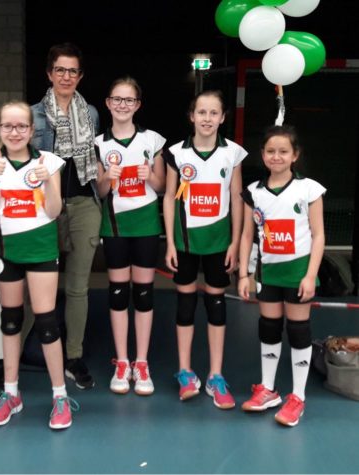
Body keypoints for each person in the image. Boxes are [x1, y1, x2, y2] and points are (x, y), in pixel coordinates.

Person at [0, 100, 78, 430]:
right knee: (11, 321)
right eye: (8, 126)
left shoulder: (49, 161)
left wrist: (48, 181)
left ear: (32, 130)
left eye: (21, 126)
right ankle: (11, 394)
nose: (15, 132)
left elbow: (54, 211)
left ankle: (60, 396)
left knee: (47, 323)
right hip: (7, 252)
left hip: (41, 252)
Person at [163, 90, 246, 409]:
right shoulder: (176, 153)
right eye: (202, 112)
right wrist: (170, 242)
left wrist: (235, 243)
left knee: (216, 304)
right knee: (185, 304)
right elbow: (168, 197)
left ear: (223, 117)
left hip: (218, 243)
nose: (207, 118)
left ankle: (215, 375)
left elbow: (236, 198)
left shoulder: (233, 153)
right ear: (191, 116)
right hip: (185, 242)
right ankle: (185, 372)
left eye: (213, 113)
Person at [238, 124, 325, 427]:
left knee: (298, 330)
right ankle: (268, 389)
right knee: (269, 328)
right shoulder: (254, 192)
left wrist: (310, 275)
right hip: (268, 273)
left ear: (295, 155)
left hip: (298, 272)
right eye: (271, 151)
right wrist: (244, 274)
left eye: (283, 151)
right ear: (262, 154)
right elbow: (247, 235)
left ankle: (297, 397)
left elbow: (318, 235)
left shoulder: (309, 189)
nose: (277, 156)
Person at [31, 43, 101, 389]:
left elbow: (93, 159)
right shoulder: (33, 115)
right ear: (49, 74)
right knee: (34, 285)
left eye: (73, 71)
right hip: (44, 208)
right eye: (60, 69)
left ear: (80, 76)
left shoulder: (91, 113)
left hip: (84, 203)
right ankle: (18, 357)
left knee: (77, 288)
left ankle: (73, 355)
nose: (66, 76)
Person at [95, 77, 165, 395]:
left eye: (129, 100)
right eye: (117, 99)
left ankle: (142, 362)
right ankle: (122, 361)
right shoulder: (99, 144)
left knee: (144, 294)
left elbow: (162, 186)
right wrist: (106, 179)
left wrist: (150, 176)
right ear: (108, 103)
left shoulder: (153, 140)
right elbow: (99, 191)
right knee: (118, 293)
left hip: (146, 226)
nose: (122, 105)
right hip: (115, 228)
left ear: (137, 105)